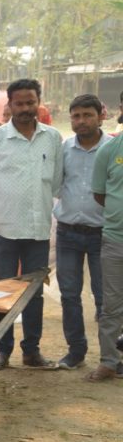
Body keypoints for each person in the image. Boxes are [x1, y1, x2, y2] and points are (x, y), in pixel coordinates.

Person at [0, 79, 64, 370]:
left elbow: (57, 181)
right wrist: (6, 208)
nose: (25, 108)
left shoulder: (52, 138)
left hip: (38, 230)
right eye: (19, 103)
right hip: (4, 230)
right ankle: (2, 350)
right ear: (9, 105)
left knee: (34, 293)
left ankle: (32, 350)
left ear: (38, 102)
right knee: (2, 292)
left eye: (30, 102)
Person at [54, 94, 112, 371]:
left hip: (105, 235)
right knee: (69, 294)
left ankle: (110, 357)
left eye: (87, 115)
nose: (81, 121)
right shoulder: (64, 150)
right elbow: (56, 186)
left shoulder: (114, 148)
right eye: (75, 116)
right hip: (68, 234)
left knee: (106, 298)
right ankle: (75, 351)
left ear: (101, 115)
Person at [90, 126, 123, 381]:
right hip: (115, 239)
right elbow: (101, 194)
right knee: (111, 305)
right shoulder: (109, 150)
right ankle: (109, 362)